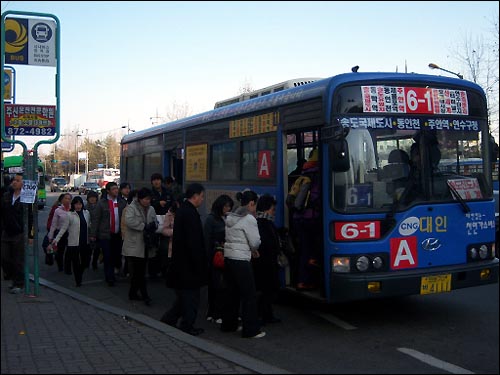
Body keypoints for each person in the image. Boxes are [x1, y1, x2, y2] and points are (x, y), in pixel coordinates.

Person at [161, 183, 208, 336]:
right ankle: (187, 326)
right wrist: (199, 264)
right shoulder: (190, 213)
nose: (202, 199)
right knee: (191, 298)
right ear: (195, 196)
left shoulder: (184, 211)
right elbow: (193, 243)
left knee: (184, 297)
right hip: (189, 265)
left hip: (182, 263)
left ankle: (169, 319)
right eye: (201, 196)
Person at [220, 189, 265, 339]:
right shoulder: (249, 219)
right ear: (251, 203)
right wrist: (254, 249)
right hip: (241, 260)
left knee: (231, 293)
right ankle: (251, 330)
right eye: (255, 206)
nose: (255, 209)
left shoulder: (231, 217)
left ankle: (228, 325)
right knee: (249, 295)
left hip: (229, 258)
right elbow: (255, 241)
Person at [122, 187, 157, 305]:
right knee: (139, 272)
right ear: (140, 199)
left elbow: (155, 221)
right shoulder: (132, 207)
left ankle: (132, 293)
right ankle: (144, 295)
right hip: (134, 245)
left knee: (139, 272)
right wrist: (143, 226)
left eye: (149, 199)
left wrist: (154, 225)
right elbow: (129, 221)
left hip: (147, 244)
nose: (148, 201)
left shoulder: (151, 208)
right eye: (146, 199)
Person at [293, 149, 321, 291]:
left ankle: (303, 280)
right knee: (313, 250)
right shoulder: (319, 173)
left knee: (305, 249)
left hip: (299, 218)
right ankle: (308, 279)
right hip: (312, 219)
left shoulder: (305, 173)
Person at [203, 194, 234, 324]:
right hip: (215, 256)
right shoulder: (211, 219)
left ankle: (215, 312)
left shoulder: (228, 219)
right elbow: (206, 239)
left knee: (221, 286)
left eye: (229, 206)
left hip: (225, 255)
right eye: (226, 206)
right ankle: (214, 313)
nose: (227, 208)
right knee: (216, 286)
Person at [0, 174, 34, 294]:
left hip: (20, 232)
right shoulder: (6, 195)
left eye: (18, 180)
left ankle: (19, 283)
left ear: (23, 184)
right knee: (4, 257)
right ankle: (12, 278)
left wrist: (30, 235)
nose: (15, 182)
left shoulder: (26, 198)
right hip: (6, 232)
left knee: (18, 259)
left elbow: (30, 217)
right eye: (14, 180)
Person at [89, 181, 127, 286]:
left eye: (117, 188)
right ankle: (109, 277)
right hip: (105, 234)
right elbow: (96, 220)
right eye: (114, 189)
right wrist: (93, 235)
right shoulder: (101, 203)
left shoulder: (122, 202)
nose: (116, 190)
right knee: (107, 256)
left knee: (117, 255)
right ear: (108, 191)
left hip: (118, 234)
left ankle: (115, 272)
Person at [253, 194, 281, 325]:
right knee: (266, 291)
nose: (273, 212)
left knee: (268, 291)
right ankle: (262, 315)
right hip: (264, 263)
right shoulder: (260, 223)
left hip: (268, 262)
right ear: (266, 209)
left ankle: (266, 315)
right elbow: (264, 242)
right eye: (272, 209)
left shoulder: (265, 222)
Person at [52, 196, 91, 287]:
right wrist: (56, 239)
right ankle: (78, 280)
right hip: (73, 243)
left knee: (85, 262)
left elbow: (89, 225)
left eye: (80, 204)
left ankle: (79, 274)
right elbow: (64, 228)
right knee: (76, 263)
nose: (78, 206)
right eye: (76, 204)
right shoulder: (70, 215)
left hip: (85, 241)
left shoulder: (86, 213)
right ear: (73, 205)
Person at [150, 173, 173, 278]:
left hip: (166, 223)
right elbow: (147, 205)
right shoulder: (149, 193)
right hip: (153, 223)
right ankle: (153, 271)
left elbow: (172, 205)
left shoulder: (168, 192)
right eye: (154, 180)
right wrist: (158, 204)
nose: (156, 182)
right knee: (153, 248)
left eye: (158, 179)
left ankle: (164, 269)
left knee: (165, 248)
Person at [48, 192, 72, 274]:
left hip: (70, 233)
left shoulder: (73, 210)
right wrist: (50, 236)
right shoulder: (58, 210)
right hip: (60, 232)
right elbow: (53, 224)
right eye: (65, 198)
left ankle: (67, 267)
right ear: (62, 200)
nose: (67, 200)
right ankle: (60, 266)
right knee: (60, 251)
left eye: (69, 199)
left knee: (69, 251)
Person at [158, 199, 180, 278]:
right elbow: (164, 230)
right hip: (172, 241)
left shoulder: (185, 213)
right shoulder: (169, 215)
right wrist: (175, 232)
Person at [85, 190, 101, 271]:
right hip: (88, 231)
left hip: (98, 231)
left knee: (97, 249)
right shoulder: (85, 207)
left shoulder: (99, 207)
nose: (92, 199)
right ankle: (87, 263)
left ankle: (94, 263)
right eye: (90, 198)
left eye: (94, 198)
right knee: (88, 249)